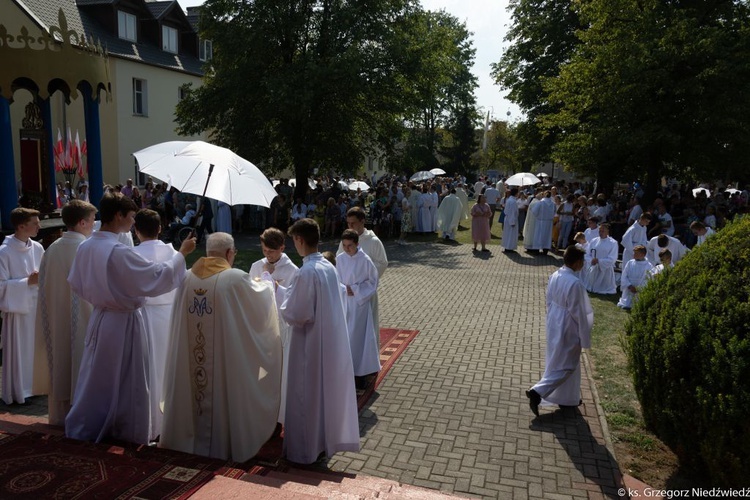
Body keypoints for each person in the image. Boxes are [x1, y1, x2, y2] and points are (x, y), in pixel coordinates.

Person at [65, 193, 196, 445]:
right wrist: (181, 254)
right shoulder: (116, 251)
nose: (133, 222)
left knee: (97, 376)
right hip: (124, 321)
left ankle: (90, 423)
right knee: (128, 379)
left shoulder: (87, 246)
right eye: (131, 216)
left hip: (101, 317)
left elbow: (76, 284)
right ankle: (126, 429)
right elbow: (156, 277)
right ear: (119, 216)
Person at [160, 233, 281, 461]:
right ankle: (223, 445)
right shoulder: (234, 279)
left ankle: (185, 440)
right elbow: (261, 302)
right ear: (229, 253)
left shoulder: (186, 277)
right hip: (223, 363)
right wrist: (266, 282)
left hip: (189, 361)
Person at [279, 218, 359, 464]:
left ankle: (303, 451)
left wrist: (282, 299)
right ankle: (321, 442)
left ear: (299, 240)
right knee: (320, 395)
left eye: (294, 240)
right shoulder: (327, 266)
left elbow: (297, 313)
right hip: (327, 342)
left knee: (305, 395)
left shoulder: (306, 272)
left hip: (308, 346)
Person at [32, 200, 97, 425]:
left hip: (56, 320)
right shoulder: (87, 249)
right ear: (81, 223)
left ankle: (59, 417)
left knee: (60, 362)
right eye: (91, 221)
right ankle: (84, 420)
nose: (93, 226)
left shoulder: (52, 249)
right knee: (82, 362)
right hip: (86, 321)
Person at [526, 245, 593, 416]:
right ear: (578, 262)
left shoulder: (556, 275)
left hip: (555, 321)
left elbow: (548, 300)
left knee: (558, 360)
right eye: (582, 262)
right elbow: (580, 313)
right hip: (568, 326)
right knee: (567, 365)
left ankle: (567, 398)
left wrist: (551, 319)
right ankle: (538, 391)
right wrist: (584, 336)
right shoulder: (575, 283)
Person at [132, 208, 181, 440]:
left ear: (136, 230)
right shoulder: (174, 254)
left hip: (143, 315)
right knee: (168, 367)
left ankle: (150, 423)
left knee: (147, 370)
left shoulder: (131, 254)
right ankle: (171, 422)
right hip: (170, 315)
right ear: (160, 228)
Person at [249, 227, 299, 425]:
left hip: (281, 325)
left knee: (279, 371)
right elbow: (248, 291)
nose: (267, 255)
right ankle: (261, 411)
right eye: (264, 251)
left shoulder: (292, 270)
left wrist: (277, 286)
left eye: (271, 251)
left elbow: (294, 299)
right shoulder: (256, 266)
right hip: (261, 325)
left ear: (282, 248)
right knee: (261, 370)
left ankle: (279, 415)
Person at [0, 208, 44, 405]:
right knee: (20, 349)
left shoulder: (38, 248)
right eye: (35, 223)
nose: (39, 226)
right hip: (18, 308)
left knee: (37, 348)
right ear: (21, 226)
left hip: (36, 307)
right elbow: (1, 286)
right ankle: (20, 390)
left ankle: (37, 385)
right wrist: (27, 282)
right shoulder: (4, 252)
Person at [337, 230, 380, 389]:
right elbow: (335, 279)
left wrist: (355, 289)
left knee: (358, 339)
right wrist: (343, 289)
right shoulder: (340, 259)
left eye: (350, 246)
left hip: (359, 305)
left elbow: (373, 282)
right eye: (344, 245)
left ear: (357, 244)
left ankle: (360, 373)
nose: (347, 249)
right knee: (345, 337)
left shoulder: (365, 260)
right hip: (343, 302)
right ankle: (344, 371)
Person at [337, 207, 387, 338]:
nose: (350, 226)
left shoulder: (373, 241)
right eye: (348, 223)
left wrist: (362, 278)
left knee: (367, 330)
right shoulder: (345, 240)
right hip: (347, 292)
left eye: (353, 223)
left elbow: (382, 263)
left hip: (365, 292)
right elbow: (339, 263)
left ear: (362, 221)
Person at [585, 223, 618, 294]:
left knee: (603, 286)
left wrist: (599, 261)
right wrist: (591, 260)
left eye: (603, 231)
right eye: (600, 231)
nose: (601, 232)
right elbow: (587, 254)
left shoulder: (613, 243)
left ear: (607, 232)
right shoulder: (594, 241)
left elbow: (612, 258)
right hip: (593, 267)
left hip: (605, 269)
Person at [617, 245, 653, 310]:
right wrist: (629, 286)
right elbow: (624, 275)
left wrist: (638, 288)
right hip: (629, 289)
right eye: (634, 253)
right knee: (626, 303)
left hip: (639, 290)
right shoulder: (630, 263)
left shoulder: (649, 266)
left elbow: (648, 279)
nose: (634, 254)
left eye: (636, 253)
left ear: (643, 254)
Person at [502, 188, 520, 253]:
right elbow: (512, 212)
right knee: (510, 234)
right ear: (516, 193)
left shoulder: (510, 200)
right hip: (511, 219)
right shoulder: (513, 201)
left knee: (508, 233)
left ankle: (508, 246)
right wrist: (512, 221)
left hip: (508, 218)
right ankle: (509, 247)